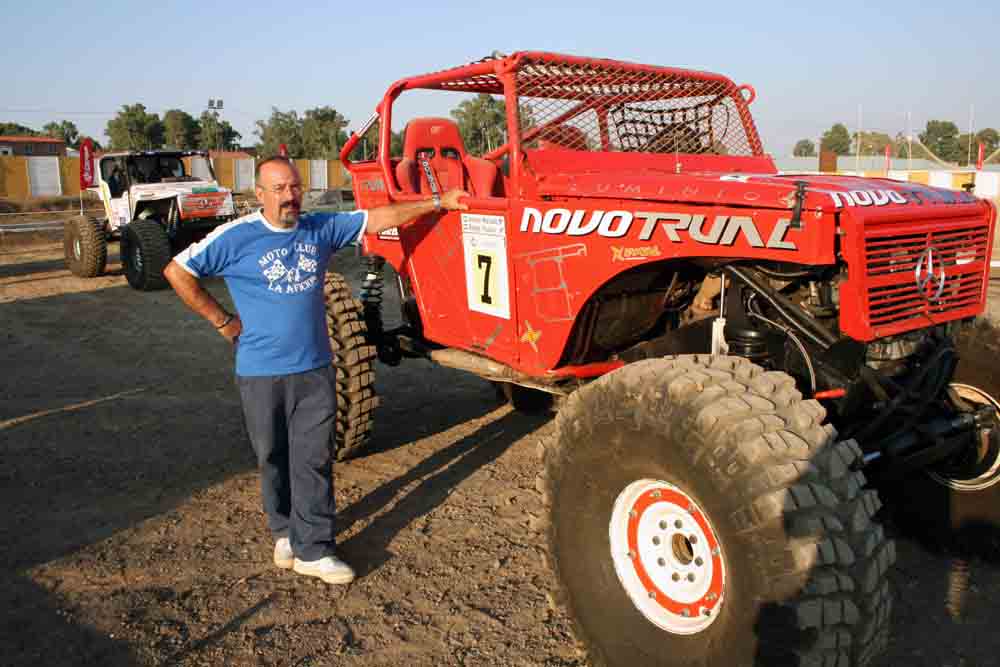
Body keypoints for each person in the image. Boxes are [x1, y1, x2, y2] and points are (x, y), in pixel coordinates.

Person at [163, 155, 469, 584]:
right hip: (259, 372)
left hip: (315, 369)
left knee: (313, 457)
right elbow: (177, 271)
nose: (290, 197)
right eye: (280, 189)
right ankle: (284, 530)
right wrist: (223, 322)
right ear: (260, 194)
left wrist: (438, 201)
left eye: (295, 187)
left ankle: (314, 548)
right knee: (272, 456)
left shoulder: (320, 228)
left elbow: (378, 217)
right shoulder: (236, 237)